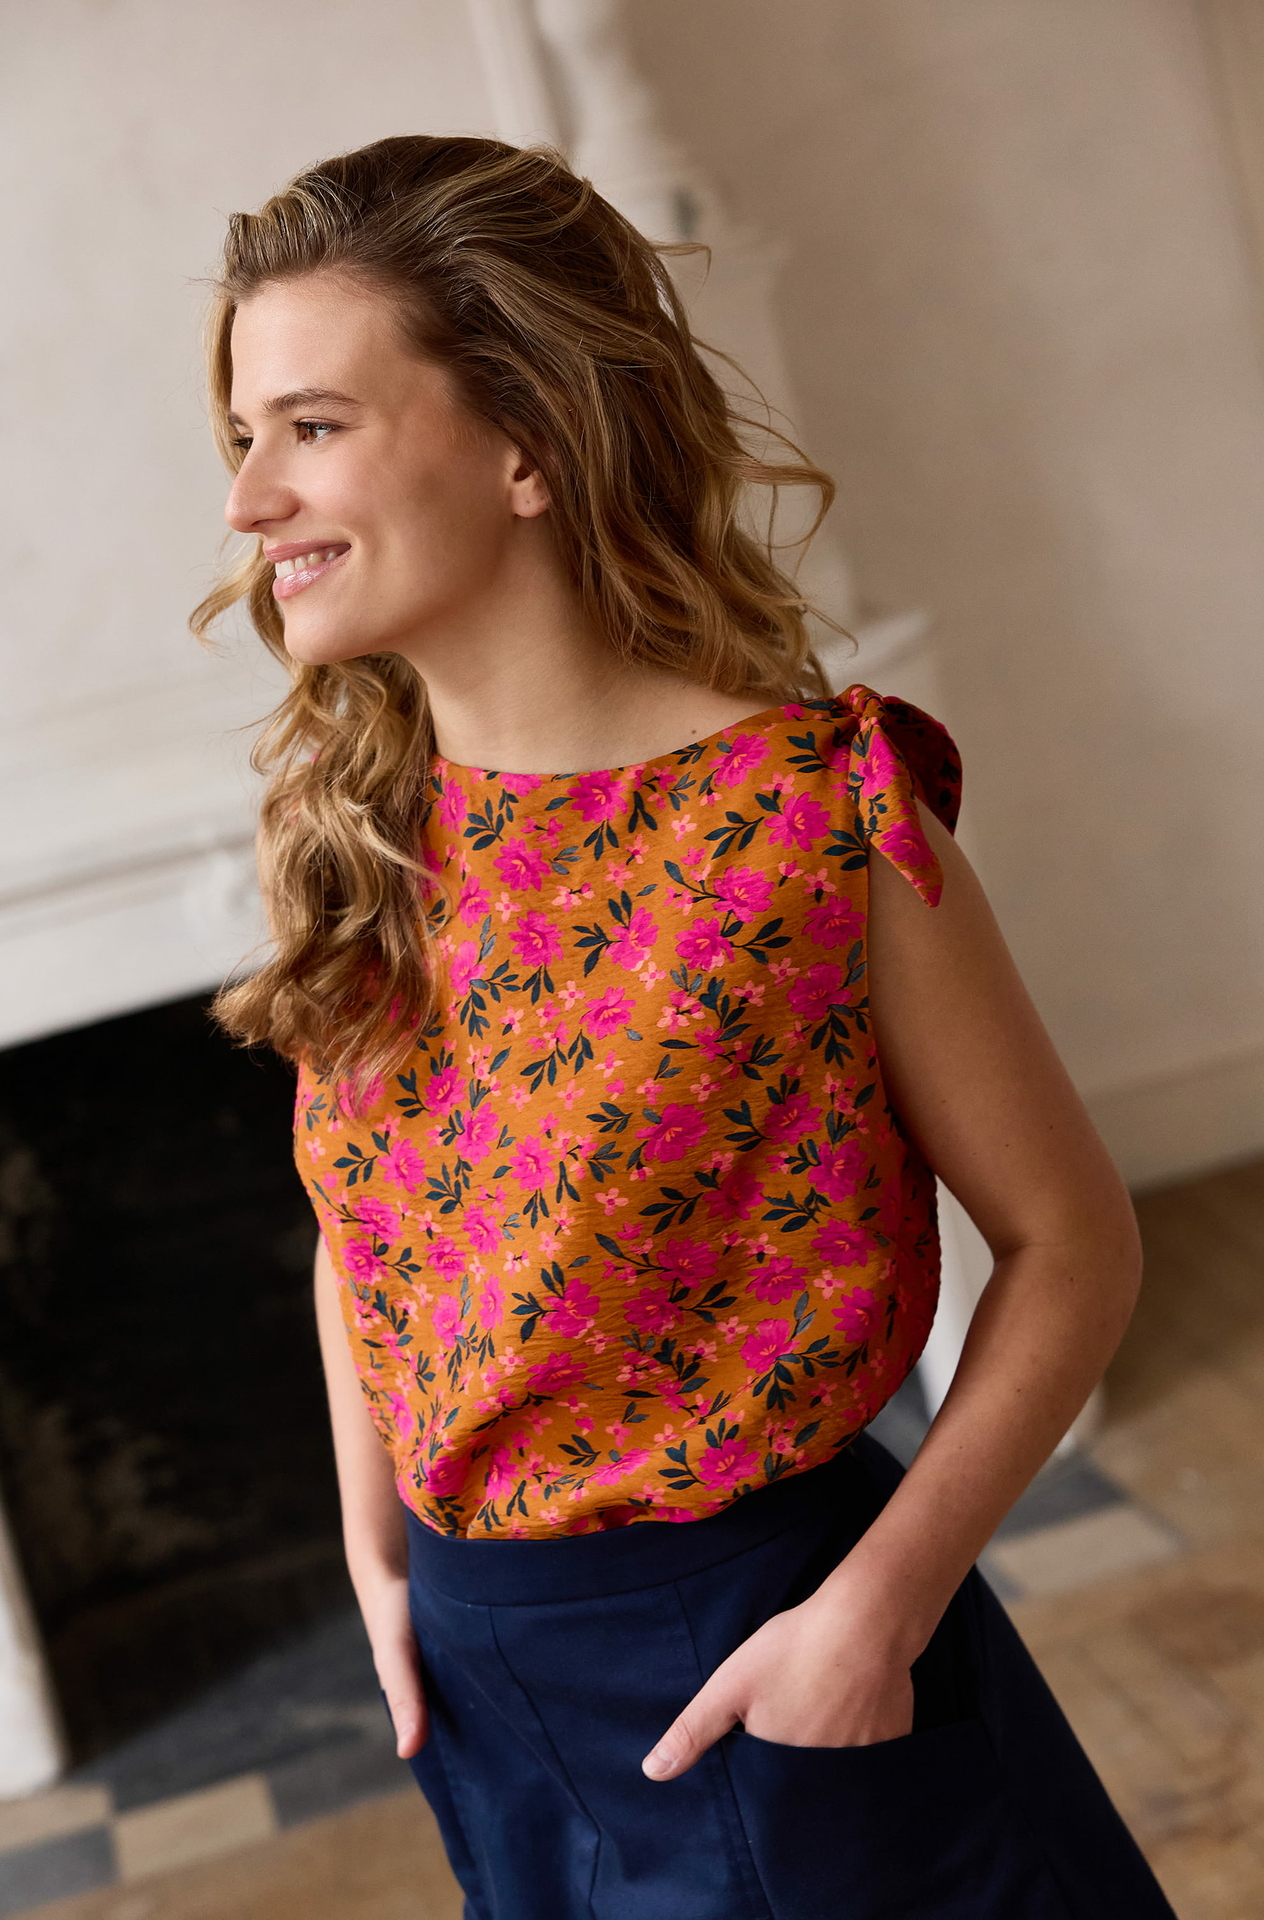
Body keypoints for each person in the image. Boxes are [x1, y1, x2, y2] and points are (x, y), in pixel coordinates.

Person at [193, 134, 1175, 1919]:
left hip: (780, 1651)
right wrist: (379, 1558)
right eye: (242, 436)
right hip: (486, 1684)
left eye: (311, 426)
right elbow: (371, 1228)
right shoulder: (367, 832)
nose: (253, 498)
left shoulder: (810, 817)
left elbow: (1072, 1243)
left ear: (527, 443)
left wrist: (871, 1619)